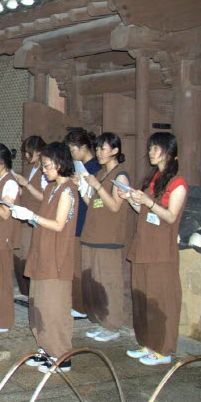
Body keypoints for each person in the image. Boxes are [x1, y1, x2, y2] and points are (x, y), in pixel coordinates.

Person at [122, 132, 187, 366]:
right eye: (150, 148)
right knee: (143, 298)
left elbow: (170, 216)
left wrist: (148, 202)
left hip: (161, 250)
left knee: (161, 300)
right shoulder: (154, 178)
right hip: (144, 245)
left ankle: (163, 350)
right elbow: (145, 212)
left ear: (168, 152)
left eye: (155, 148)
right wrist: (130, 199)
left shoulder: (178, 183)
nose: (151, 152)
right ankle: (148, 344)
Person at [11, 142, 78, 373]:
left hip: (57, 256)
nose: (44, 170)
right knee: (39, 305)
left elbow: (59, 225)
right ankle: (46, 348)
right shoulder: (51, 189)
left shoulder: (68, 190)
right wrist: (28, 215)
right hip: (42, 253)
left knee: (54, 306)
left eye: (47, 165)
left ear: (60, 164)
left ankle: (61, 354)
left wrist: (32, 217)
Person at [80, 132, 132, 343]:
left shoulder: (120, 176)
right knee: (96, 283)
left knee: (109, 282)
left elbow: (115, 206)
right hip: (92, 234)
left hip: (108, 238)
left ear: (115, 151)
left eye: (103, 148)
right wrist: (82, 188)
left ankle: (113, 326)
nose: (99, 153)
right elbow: (93, 203)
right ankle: (102, 322)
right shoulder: (101, 174)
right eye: (98, 149)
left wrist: (97, 186)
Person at [65, 128, 100, 318]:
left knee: (81, 266)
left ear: (84, 147)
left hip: (87, 218)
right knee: (74, 264)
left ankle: (81, 306)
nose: (72, 154)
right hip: (76, 217)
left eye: (73, 149)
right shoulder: (78, 166)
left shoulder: (95, 168)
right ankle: (76, 303)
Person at [0, 141, 20, 333]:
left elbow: (5, 213)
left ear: (1, 162)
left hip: (1, 237)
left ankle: (3, 320)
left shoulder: (10, 182)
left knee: (1, 281)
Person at [12, 135, 47, 297]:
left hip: (34, 217)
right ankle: (25, 292)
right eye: (25, 152)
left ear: (39, 152)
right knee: (19, 255)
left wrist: (27, 184)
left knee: (28, 255)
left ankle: (31, 293)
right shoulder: (31, 168)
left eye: (29, 152)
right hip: (24, 215)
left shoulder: (44, 171)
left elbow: (45, 197)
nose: (26, 156)